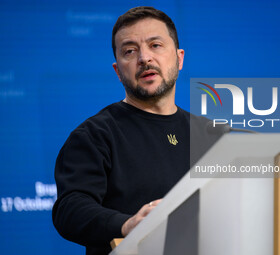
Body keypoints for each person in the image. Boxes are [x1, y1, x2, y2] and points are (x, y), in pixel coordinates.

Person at [52, 6, 218, 255]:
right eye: (130, 51)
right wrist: (127, 224)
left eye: (155, 45)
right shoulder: (94, 135)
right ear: (118, 71)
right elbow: (70, 210)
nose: (144, 58)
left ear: (180, 58)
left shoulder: (210, 135)